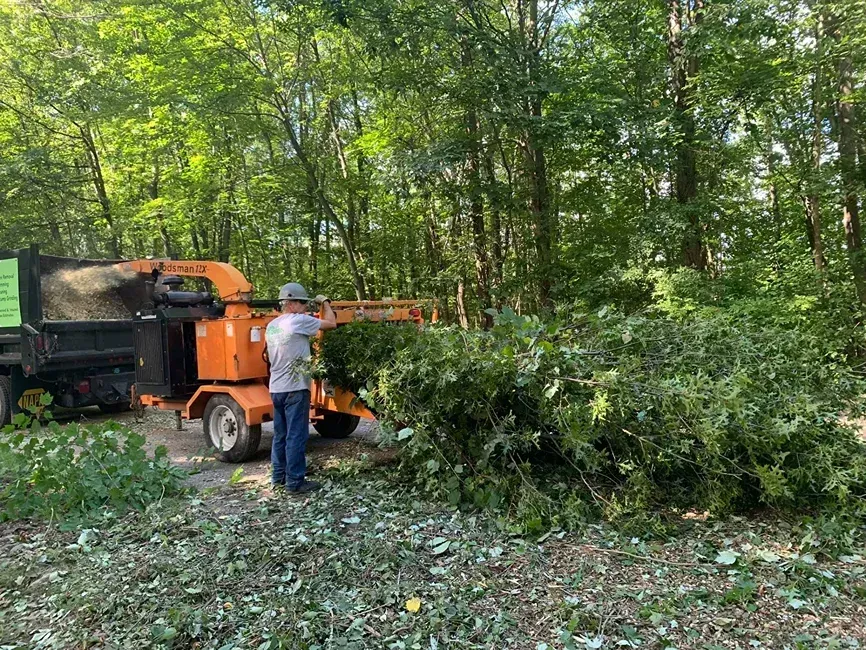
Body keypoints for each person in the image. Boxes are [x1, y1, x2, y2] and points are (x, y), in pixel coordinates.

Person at [264, 282, 336, 493]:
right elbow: (330, 324)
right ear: (292, 303)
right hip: (295, 387)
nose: (305, 307)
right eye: (303, 303)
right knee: (296, 435)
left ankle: (278, 478)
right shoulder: (298, 321)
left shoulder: (273, 325)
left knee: (281, 436)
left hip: (276, 388)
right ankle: (295, 482)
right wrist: (325, 302)